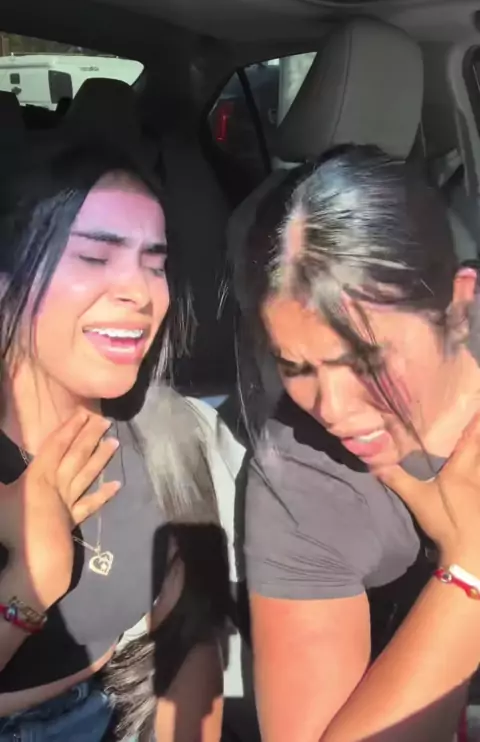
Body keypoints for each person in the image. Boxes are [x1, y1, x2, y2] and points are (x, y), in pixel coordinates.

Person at [238, 144, 480, 742]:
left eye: (367, 361)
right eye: (296, 368)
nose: (334, 412)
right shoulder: (304, 473)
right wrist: (470, 573)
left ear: (457, 307)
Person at [0, 141, 231, 741]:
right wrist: (29, 582)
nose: (140, 292)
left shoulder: (165, 436)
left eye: (155, 263)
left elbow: (190, 645)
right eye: (94, 257)